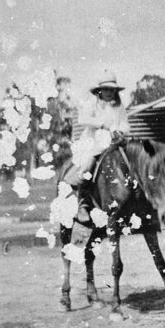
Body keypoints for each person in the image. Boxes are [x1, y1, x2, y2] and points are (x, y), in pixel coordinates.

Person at [68, 71, 131, 218]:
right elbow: (82, 119)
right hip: (94, 143)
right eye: (106, 89)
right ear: (99, 90)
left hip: (115, 143)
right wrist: (101, 124)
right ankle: (82, 203)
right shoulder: (93, 103)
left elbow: (125, 124)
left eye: (112, 89)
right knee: (88, 165)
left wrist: (120, 131)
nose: (109, 92)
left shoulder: (119, 106)